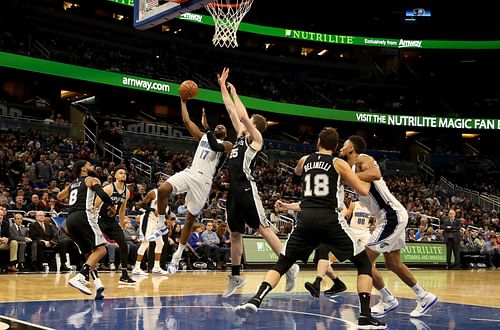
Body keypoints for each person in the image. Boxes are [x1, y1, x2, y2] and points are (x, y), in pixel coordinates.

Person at [235, 128, 385, 329]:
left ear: (318, 142)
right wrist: (366, 175)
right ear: (335, 146)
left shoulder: (305, 160)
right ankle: (365, 316)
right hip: (330, 219)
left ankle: (256, 299)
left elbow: (297, 172)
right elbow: (362, 189)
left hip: (305, 218)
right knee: (364, 264)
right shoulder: (338, 163)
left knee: (282, 263)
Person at [217, 68, 299, 297]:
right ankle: (235, 276)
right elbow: (231, 110)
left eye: (249, 122)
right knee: (235, 234)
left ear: (254, 126)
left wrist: (237, 95)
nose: (243, 122)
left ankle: (290, 265)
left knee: (262, 228)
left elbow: (241, 115)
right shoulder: (241, 136)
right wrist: (224, 87)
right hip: (233, 191)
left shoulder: (257, 140)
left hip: (246, 188)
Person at [339, 135, 437, 319]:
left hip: (391, 215)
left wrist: (348, 176)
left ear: (351, 148)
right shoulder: (351, 168)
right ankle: (424, 296)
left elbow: (375, 174)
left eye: (344, 145)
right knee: (393, 263)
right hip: (387, 217)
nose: (341, 147)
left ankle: (388, 299)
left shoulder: (362, 159)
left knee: (364, 262)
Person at [151, 96, 233, 275]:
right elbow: (186, 121)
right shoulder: (204, 137)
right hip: (190, 173)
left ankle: (177, 257)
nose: (220, 127)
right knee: (163, 189)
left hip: (204, 182)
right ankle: (160, 225)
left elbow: (215, 146)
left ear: (225, 133)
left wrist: (207, 128)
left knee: (190, 219)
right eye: (218, 126)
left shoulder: (227, 144)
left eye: (223, 127)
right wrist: (183, 101)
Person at [57, 160, 115, 299]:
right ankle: (80, 276)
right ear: (83, 168)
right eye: (89, 165)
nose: (92, 167)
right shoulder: (91, 179)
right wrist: (111, 205)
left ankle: (98, 283)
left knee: (90, 254)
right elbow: (101, 193)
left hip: (70, 220)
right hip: (84, 216)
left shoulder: (73, 184)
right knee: (101, 250)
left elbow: (59, 197)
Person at [94, 166, 136, 285]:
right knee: (95, 245)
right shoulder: (108, 188)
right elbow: (95, 205)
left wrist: (122, 225)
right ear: (115, 176)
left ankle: (124, 275)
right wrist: (92, 220)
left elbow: (122, 210)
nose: (123, 175)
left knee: (123, 245)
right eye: (121, 173)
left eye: (125, 173)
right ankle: (89, 271)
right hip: (100, 220)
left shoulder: (126, 192)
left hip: (112, 221)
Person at [132, 179, 171, 276]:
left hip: (157, 222)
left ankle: (156, 267)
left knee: (160, 243)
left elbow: (163, 211)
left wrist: (167, 219)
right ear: (158, 184)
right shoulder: (153, 193)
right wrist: (153, 209)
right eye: (162, 182)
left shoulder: (166, 196)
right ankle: (136, 268)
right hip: (148, 219)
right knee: (145, 243)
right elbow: (143, 204)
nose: (164, 183)